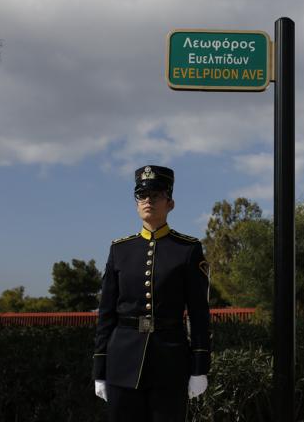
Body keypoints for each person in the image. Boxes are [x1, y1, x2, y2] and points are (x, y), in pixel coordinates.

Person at [92, 165, 212, 421]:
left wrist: (199, 366)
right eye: (142, 195)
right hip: (122, 363)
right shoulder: (120, 250)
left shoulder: (187, 250)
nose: (148, 201)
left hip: (170, 362)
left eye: (156, 195)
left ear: (170, 203)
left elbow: (199, 313)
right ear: (136, 204)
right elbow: (106, 314)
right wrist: (99, 369)